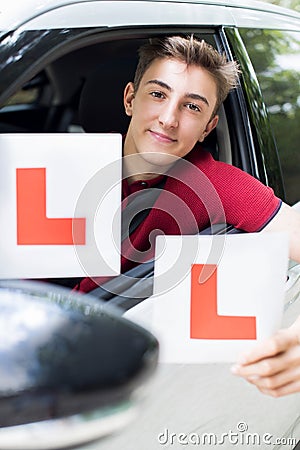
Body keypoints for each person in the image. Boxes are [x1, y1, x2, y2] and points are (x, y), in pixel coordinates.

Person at [77, 35, 300, 397]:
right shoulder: (63, 166)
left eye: (192, 107)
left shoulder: (218, 185)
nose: (168, 119)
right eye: (158, 94)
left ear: (208, 127)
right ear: (130, 98)